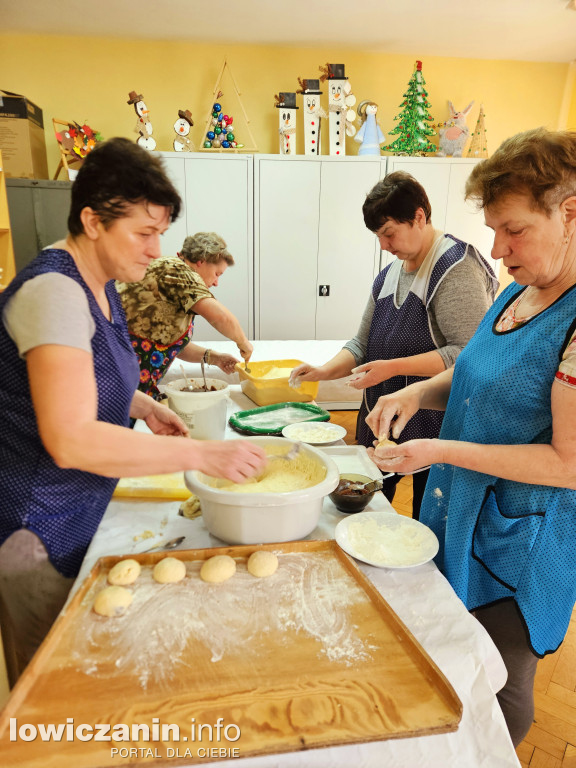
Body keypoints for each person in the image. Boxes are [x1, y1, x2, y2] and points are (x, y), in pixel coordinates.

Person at [0, 137, 266, 685]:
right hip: (38, 524)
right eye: (144, 232)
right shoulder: (56, 291)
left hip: (81, 504)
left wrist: (139, 403)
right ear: (93, 221)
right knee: (53, 687)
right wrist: (200, 452)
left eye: (161, 232)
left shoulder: (100, 283)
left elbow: (83, 377)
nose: (155, 248)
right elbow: (70, 437)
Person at [367, 128, 576, 747]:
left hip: (520, 543)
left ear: (570, 213)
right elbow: (475, 370)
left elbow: (568, 463)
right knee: (450, 659)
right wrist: (416, 393)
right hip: (461, 512)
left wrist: (441, 451)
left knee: (499, 686)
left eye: (514, 230)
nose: (497, 247)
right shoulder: (517, 289)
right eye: (493, 228)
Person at [292, 171, 497, 518]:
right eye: (379, 236)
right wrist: (323, 371)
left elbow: (466, 353)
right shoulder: (390, 274)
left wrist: (394, 367)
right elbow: (361, 342)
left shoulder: (455, 268)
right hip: (380, 415)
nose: (384, 246)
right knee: (367, 507)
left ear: (419, 216)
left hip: (435, 423)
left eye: (389, 233)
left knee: (426, 514)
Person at [117, 231, 252, 400]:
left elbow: (168, 345)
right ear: (202, 261)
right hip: (119, 377)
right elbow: (220, 317)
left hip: (130, 382)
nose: (216, 283)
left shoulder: (175, 282)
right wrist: (243, 342)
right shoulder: (176, 269)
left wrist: (214, 358)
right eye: (217, 274)